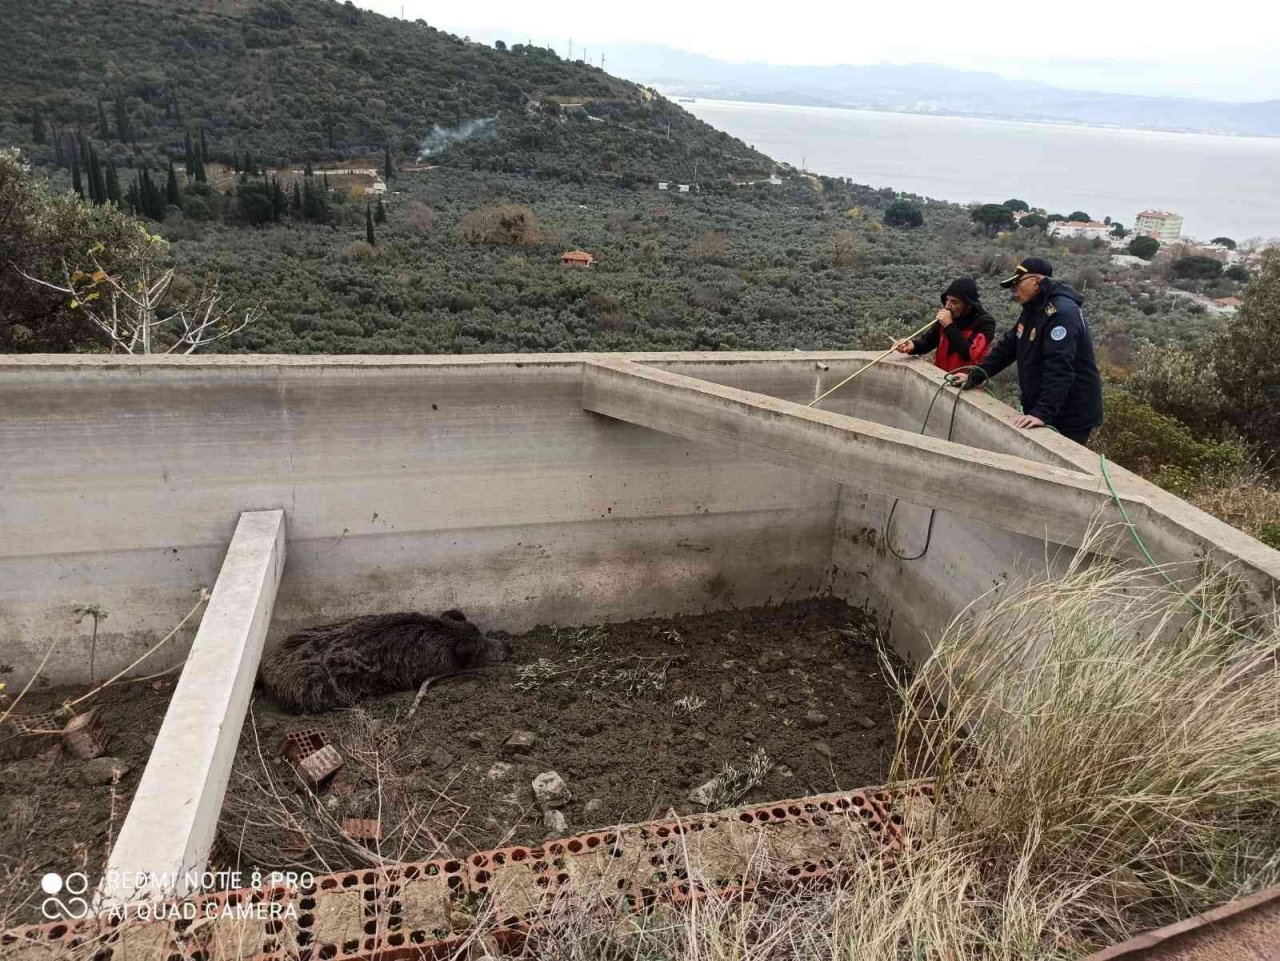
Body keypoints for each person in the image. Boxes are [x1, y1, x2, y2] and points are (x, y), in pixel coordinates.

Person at [950, 257, 1103, 445]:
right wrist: (975, 375)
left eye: (1017, 283)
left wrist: (1043, 412)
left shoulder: (1061, 313)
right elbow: (1009, 346)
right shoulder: (1033, 308)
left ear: (1036, 281)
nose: (1014, 290)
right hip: (1045, 406)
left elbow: (1060, 366)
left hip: (1070, 413)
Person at [894, 277, 996, 372]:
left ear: (968, 304)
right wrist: (913, 345)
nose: (948, 306)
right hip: (941, 377)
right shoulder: (948, 317)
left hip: (965, 383)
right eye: (947, 300)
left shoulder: (985, 323)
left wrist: (949, 326)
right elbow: (929, 342)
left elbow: (969, 354)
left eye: (954, 302)